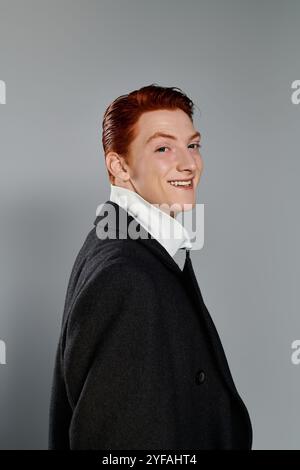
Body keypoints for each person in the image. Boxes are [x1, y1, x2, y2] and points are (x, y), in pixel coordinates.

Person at [48, 83, 253, 450]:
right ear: (119, 166)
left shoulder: (124, 244)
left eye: (192, 145)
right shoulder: (126, 277)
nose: (189, 163)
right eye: (163, 148)